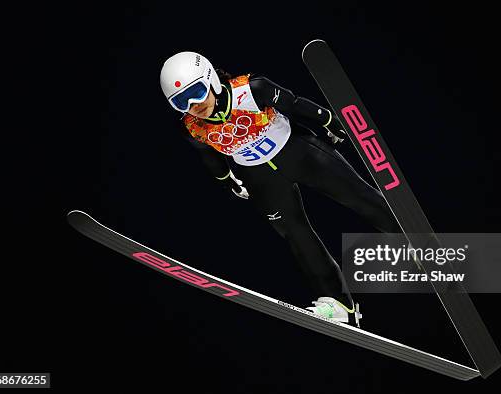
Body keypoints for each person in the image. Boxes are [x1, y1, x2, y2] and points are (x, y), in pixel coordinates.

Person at [159, 51, 401, 327]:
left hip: (299, 152)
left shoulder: (251, 90)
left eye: (198, 92)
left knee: (357, 196)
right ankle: (339, 304)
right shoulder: (192, 127)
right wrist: (226, 179)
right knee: (296, 235)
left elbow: (294, 104)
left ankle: (417, 246)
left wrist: (328, 120)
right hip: (260, 177)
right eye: (181, 102)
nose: (194, 104)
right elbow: (209, 155)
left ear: (211, 80)